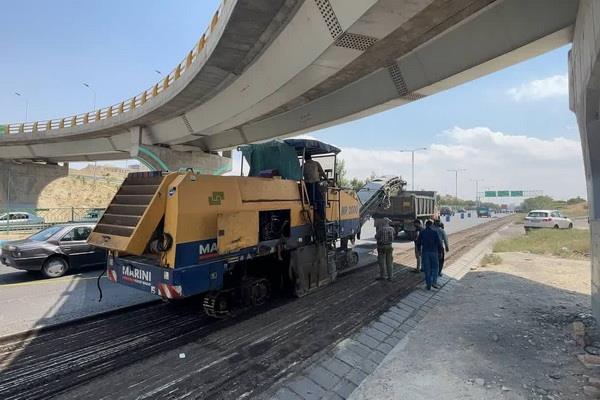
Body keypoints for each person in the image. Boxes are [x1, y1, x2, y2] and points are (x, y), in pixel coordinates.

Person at [415, 220, 443, 290]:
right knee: (435, 268)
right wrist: (440, 252)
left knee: (427, 269)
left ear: (426, 225)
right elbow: (439, 244)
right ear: (431, 225)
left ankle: (428, 285)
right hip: (434, 252)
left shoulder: (422, 232)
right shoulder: (434, 232)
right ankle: (434, 282)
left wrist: (418, 251)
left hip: (425, 253)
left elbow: (418, 243)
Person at [303, 154, 327, 218]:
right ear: (311, 157)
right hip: (315, 184)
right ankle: (322, 216)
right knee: (320, 199)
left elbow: (300, 174)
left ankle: (312, 206)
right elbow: (322, 172)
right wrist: (327, 179)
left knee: (310, 199)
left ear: (305, 159)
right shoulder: (316, 163)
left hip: (306, 185)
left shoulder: (303, 166)